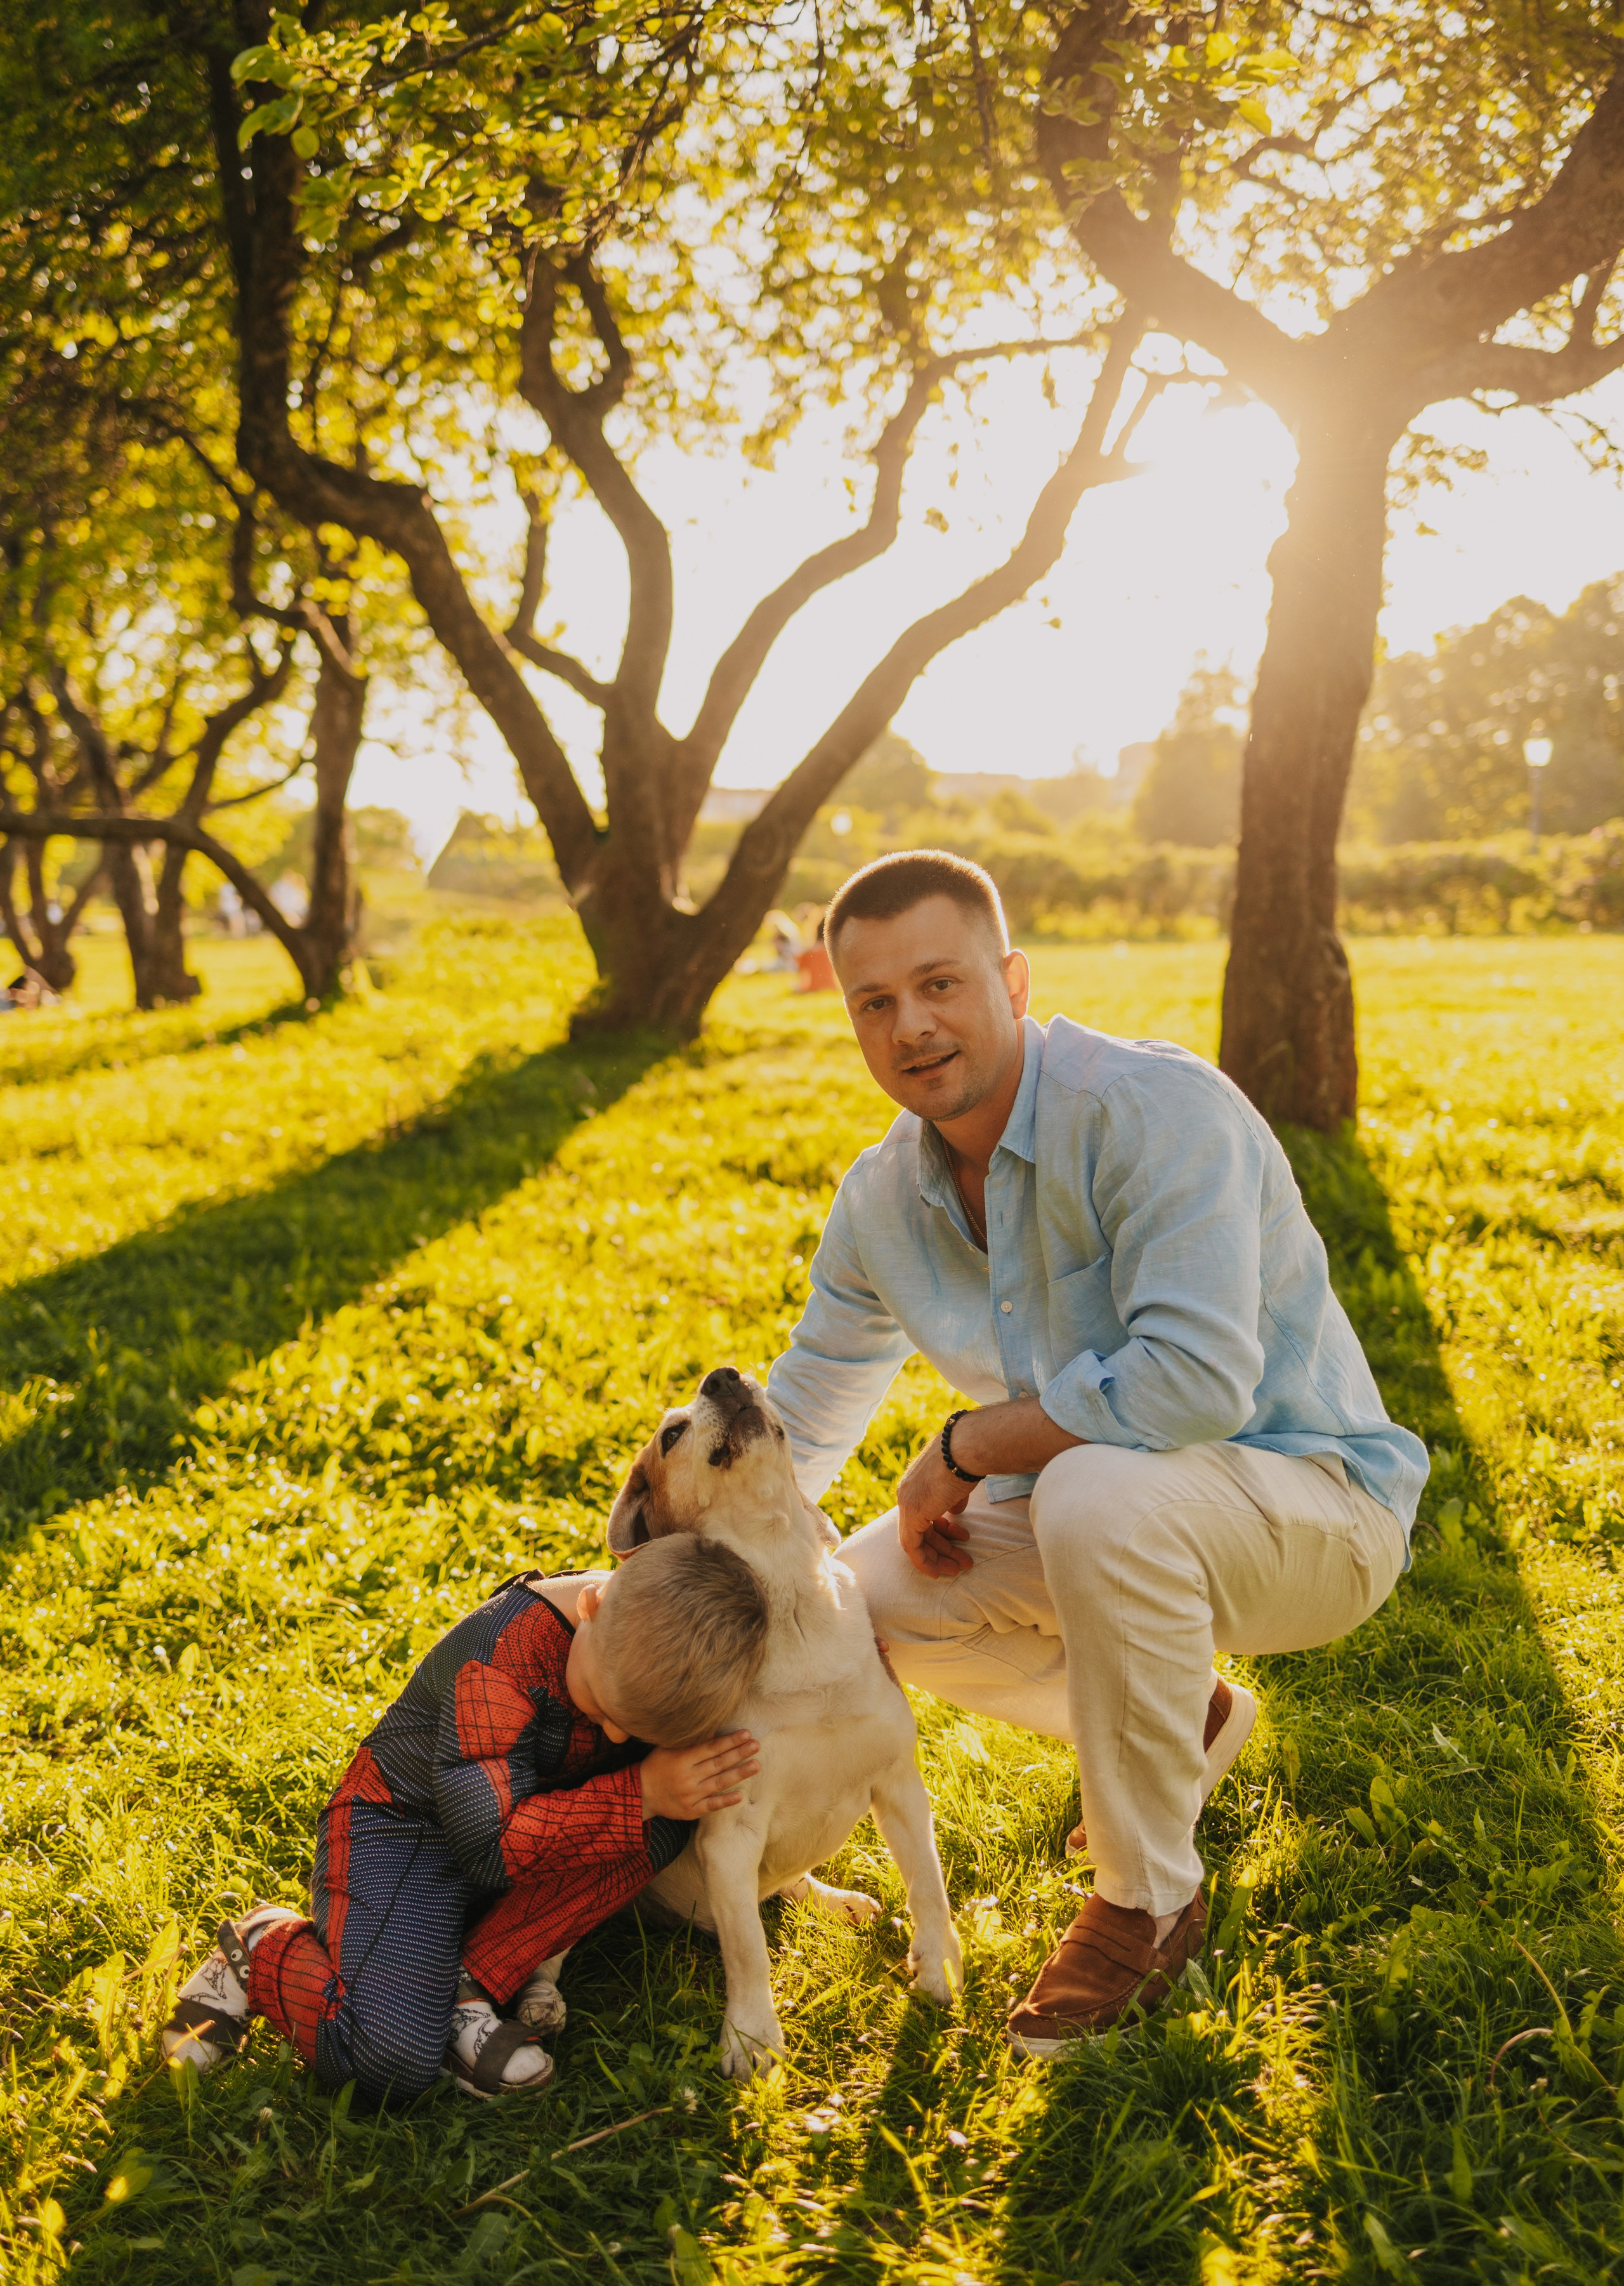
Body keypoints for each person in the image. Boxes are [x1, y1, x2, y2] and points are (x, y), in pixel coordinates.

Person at [764, 849, 1427, 2055]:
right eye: (875, 1003)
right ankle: (1194, 1718)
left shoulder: (1148, 1110)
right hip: (1115, 1512)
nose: (912, 1026)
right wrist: (682, 1547)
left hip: (1316, 1509)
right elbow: (808, 1404)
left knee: (1092, 1488)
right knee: (853, 1599)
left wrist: (968, 1444)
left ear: (1012, 981)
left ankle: (1147, 1898)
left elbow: (1194, 1380)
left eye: (941, 983)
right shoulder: (881, 1202)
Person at [162, 1534, 769, 2105]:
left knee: (668, 1818)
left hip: (528, 1832)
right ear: (591, 1602)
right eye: (606, 1709)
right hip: (405, 1834)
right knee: (389, 2063)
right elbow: (490, 1845)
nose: (613, 1734)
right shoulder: (499, 1660)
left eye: (633, 1732)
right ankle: (262, 1949)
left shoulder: (641, 1639)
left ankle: (468, 1982)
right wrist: (639, 1791)